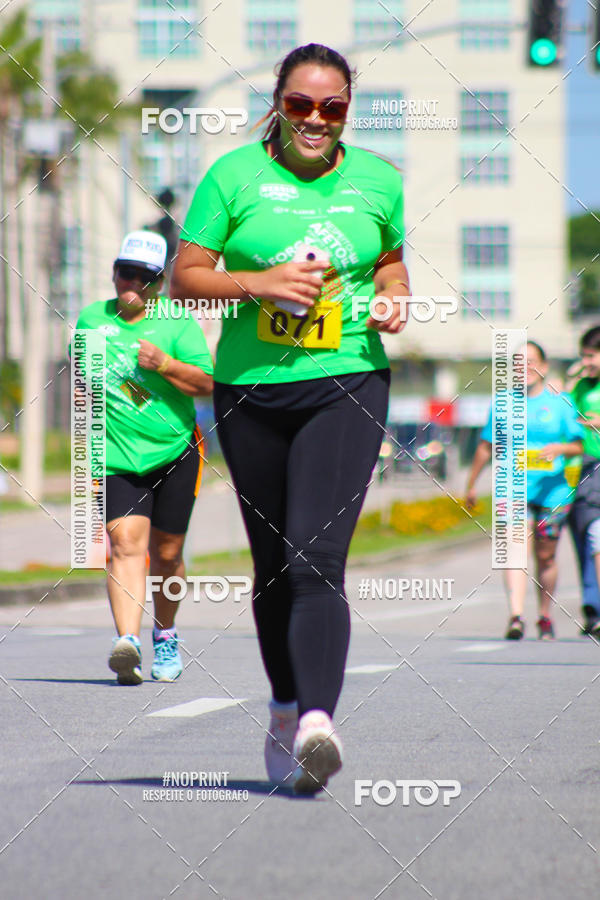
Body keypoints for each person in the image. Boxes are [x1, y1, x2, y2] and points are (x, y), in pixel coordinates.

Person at [170, 43, 409, 792]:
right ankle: (281, 709)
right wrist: (258, 283)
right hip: (250, 391)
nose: (315, 119)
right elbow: (186, 279)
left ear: (347, 110)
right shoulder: (233, 176)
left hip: (346, 381)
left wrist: (396, 291)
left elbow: (392, 257)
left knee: (315, 558)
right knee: (273, 568)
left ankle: (315, 722)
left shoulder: (378, 179)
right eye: (300, 105)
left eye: (331, 106)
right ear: (277, 102)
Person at [75, 231, 214, 684]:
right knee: (125, 544)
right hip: (117, 457)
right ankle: (128, 643)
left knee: (168, 553)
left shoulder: (177, 323)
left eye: (145, 276)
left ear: (158, 281)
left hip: (176, 450)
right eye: (125, 272)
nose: (132, 282)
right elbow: (85, 387)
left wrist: (166, 366)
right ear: (114, 272)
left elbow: (209, 384)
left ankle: (166, 634)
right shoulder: (90, 321)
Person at [465, 341, 583, 640]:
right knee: (514, 552)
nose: (524, 367)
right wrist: (471, 485)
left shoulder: (561, 402)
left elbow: (580, 445)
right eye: (518, 362)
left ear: (543, 367)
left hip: (553, 491)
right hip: (512, 487)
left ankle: (544, 615)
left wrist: (560, 448)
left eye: (531, 361)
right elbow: (485, 446)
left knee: (545, 556)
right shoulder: (501, 403)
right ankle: (516, 616)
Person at [567, 325, 600, 636]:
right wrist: (570, 379)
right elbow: (567, 418)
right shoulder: (581, 389)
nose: (586, 362)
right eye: (583, 356)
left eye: (591, 356)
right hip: (587, 469)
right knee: (590, 537)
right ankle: (593, 608)